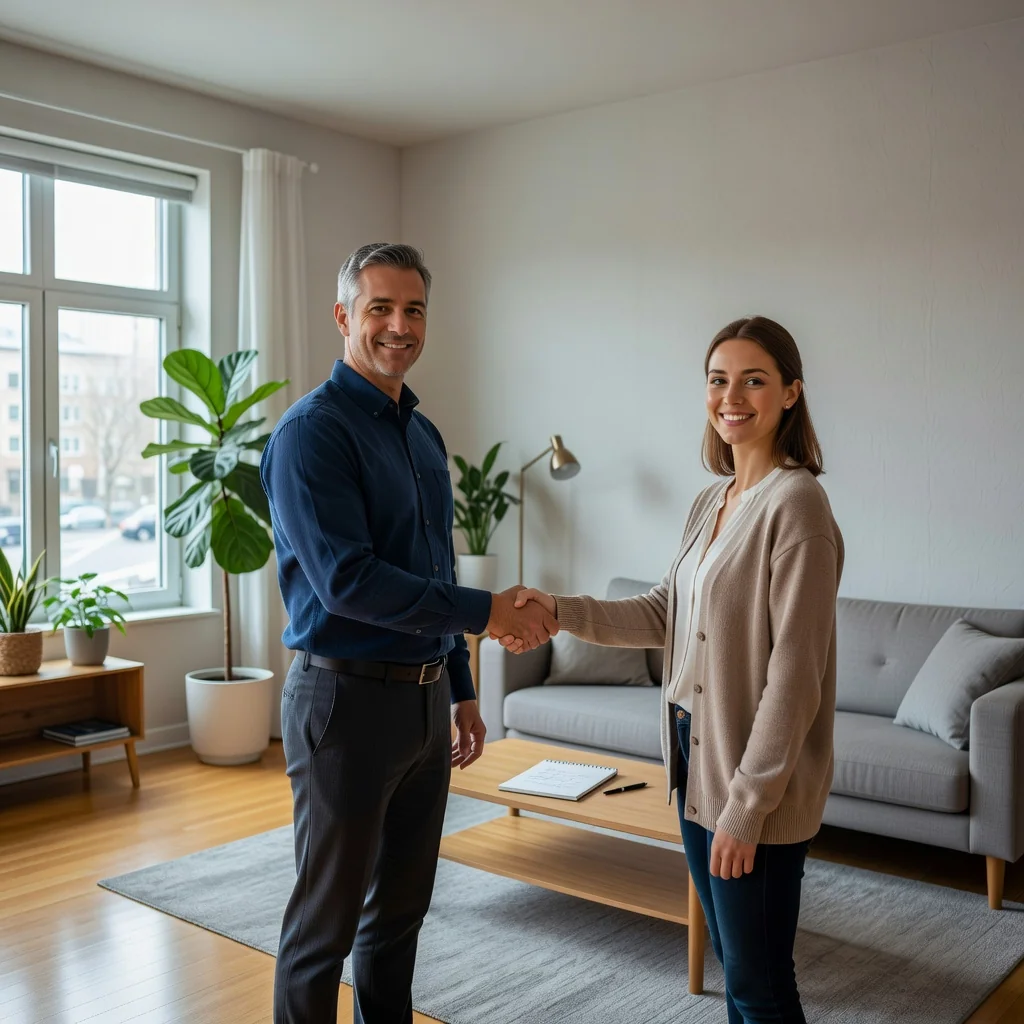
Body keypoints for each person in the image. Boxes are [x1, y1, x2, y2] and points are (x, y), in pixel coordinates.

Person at [504, 316, 843, 1024]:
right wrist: (560, 610)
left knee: (759, 982)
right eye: (718, 380)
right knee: (736, 963)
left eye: (754, 380)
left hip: (749, 775)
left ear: (790, 393)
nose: (731, 397)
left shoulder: (797, 504)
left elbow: (795, 674)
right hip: (693, 755)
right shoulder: (711, 500)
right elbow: (664, 612)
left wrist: (747, 805)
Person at [261, 242, 558, 1024]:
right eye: (381, 308)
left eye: (414, 310)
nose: (400, 325)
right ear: (343, 316)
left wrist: (461, 687)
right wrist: (488, 613)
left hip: (425, 707)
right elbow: (349, 582)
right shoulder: (311, 434)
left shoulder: (422, 435)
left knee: (398, 918)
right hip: (344, 705)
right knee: (323, 930)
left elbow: (432, 569)